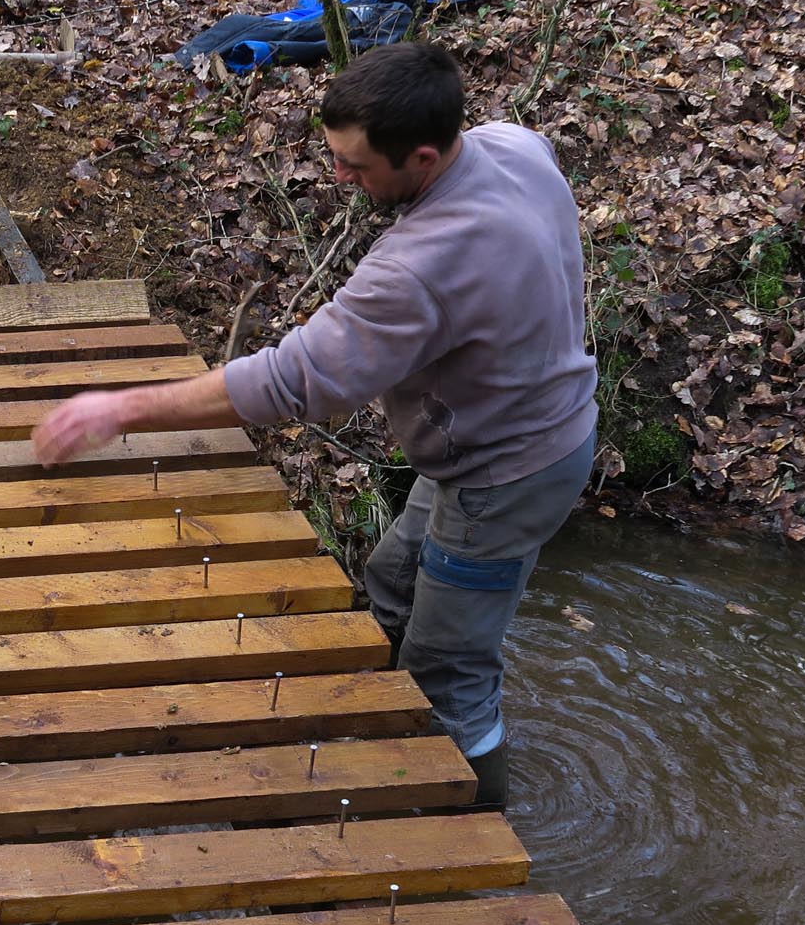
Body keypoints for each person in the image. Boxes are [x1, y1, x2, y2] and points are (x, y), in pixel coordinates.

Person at [33, 42, 595, 810]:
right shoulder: (514, 147)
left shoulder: (420, 264)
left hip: (505, 474)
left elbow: (294, 380)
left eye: (356, 168)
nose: (339, 178)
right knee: (393, 578)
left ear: (424, 157)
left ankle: (466, 830)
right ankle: (381, 725)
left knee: (454, 675)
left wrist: (121, 408)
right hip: (514, 437)